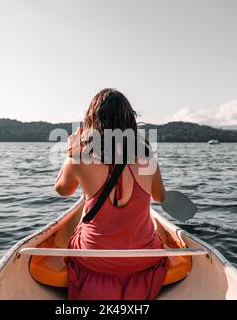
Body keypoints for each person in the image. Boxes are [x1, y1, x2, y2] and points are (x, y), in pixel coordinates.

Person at [54, 88, 168, 300]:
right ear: (129, 122)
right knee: (157, 229)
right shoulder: (147, 159)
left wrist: (71, 152)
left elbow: (62, 190)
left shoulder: (79, 159)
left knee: (71, 227)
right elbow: (160, 197)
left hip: (95, 259)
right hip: (142, 259)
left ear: (92, 122)